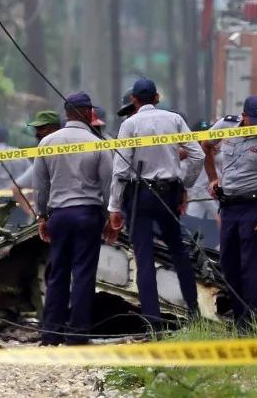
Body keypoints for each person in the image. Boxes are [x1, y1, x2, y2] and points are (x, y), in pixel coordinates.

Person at [107, 78, 204, 323]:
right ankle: (194, 312)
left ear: (134, 100)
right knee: (179, 252)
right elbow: (198, 155)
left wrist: (114, 207)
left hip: (141, 195)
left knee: (144, 257)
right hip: (169, 194)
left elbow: (120, 171)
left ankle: (153, 320)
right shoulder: (174, 120)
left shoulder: (129, 124)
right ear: (157, 98)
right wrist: (184, 183)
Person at [31, 93, 112, 346]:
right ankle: (77, 334)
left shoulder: (47, 143)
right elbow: (108, 184)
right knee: (84, 274)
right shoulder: (97, 143)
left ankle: (51, 332)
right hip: (88, 215)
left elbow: (40, 186)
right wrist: (111, 216)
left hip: (60, 215)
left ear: (66, 113)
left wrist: (41, 216)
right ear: (88, 113)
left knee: (58, 273)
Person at [205, 95, 257, 329]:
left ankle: (251, 323)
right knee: (228, 265)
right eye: (254, 120)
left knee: (250, 268)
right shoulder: (225, 126)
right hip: (229, 207)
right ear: (243, 117)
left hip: (255, 208)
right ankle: (240, 314)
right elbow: (205, 145)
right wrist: (213, 178)